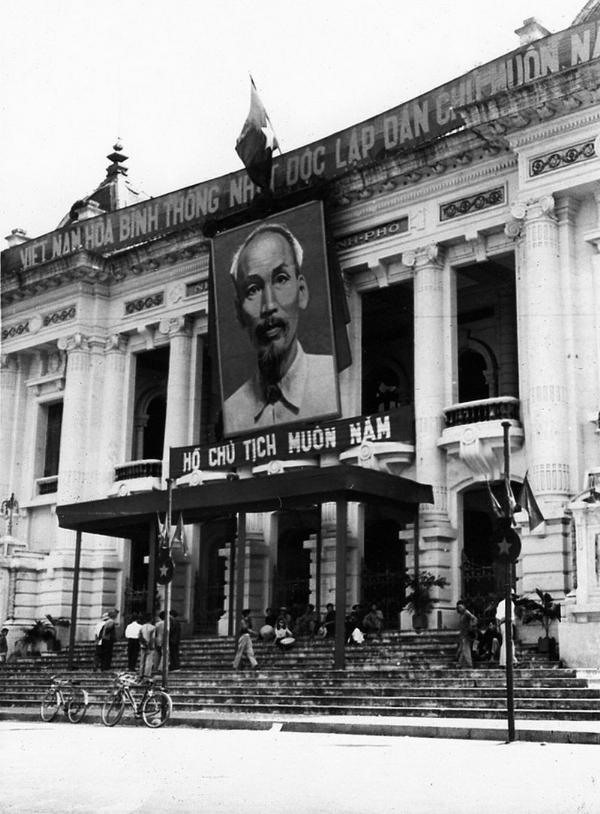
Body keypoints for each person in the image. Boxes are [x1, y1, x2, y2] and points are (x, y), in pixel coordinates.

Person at [223, 223, 338, 434]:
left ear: (301, 291)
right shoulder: (232, 409)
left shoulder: (333, 382)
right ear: (239, 312)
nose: (269, 306)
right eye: (253, 289)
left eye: (281, 279)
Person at [496, 594, 519, 667]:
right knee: (507, 642)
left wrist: (498, 626)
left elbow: (497, 617)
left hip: (503, 624)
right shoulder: (510, 603)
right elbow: (511, 617)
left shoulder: (501, 603)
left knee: (507, 642)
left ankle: (511, 660)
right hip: (507, 623)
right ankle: (505, 662)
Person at [456, 601, 477, 668]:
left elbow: (474, 619)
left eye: (461, 606)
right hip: (462, 634)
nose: (459, 608)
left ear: (464, 606)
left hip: (466, 634)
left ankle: (469, 664)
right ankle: (460, 663)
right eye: (458, 607)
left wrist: (471, 627)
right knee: (463, 649)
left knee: (466, 650)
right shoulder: (461, 614)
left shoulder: (466, 613)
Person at [138, 613, 156, 679]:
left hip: (143, 645)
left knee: (142, 660)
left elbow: (139, 636)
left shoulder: (141, 627)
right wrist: (150, 645)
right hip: (150, 645)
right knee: (149, 660)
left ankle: (141, 673)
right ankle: (147, 673)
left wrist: (142, 643)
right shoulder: (153, 628)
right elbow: (152, 638)